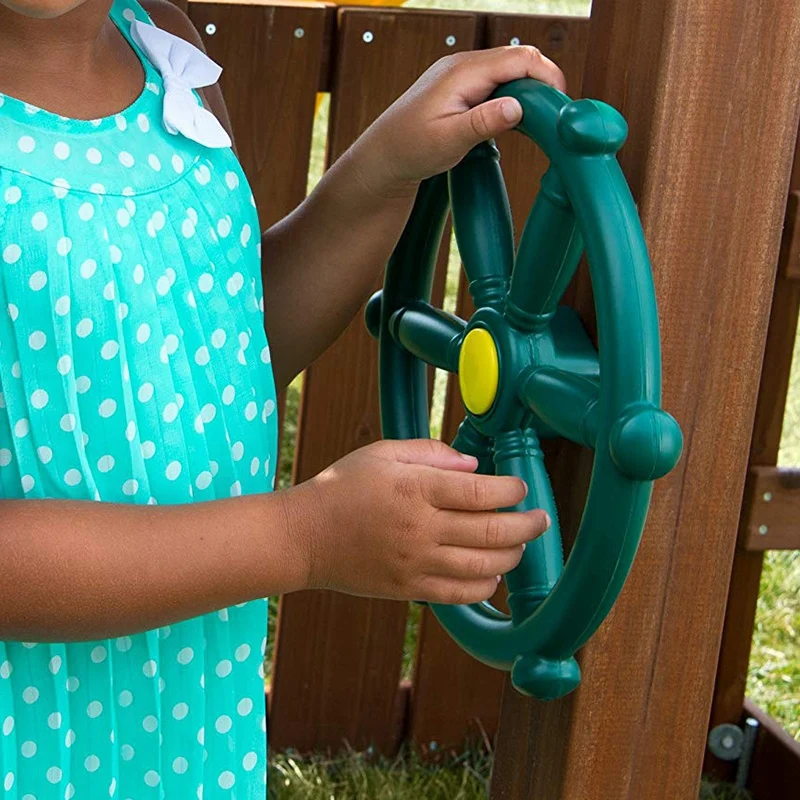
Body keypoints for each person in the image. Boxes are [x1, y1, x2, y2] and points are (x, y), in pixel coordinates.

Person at [0, 0, 564, 795]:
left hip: (184, 737)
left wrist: (383, 170)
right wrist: (305, 536)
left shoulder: (161, 45)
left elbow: (220, 356)